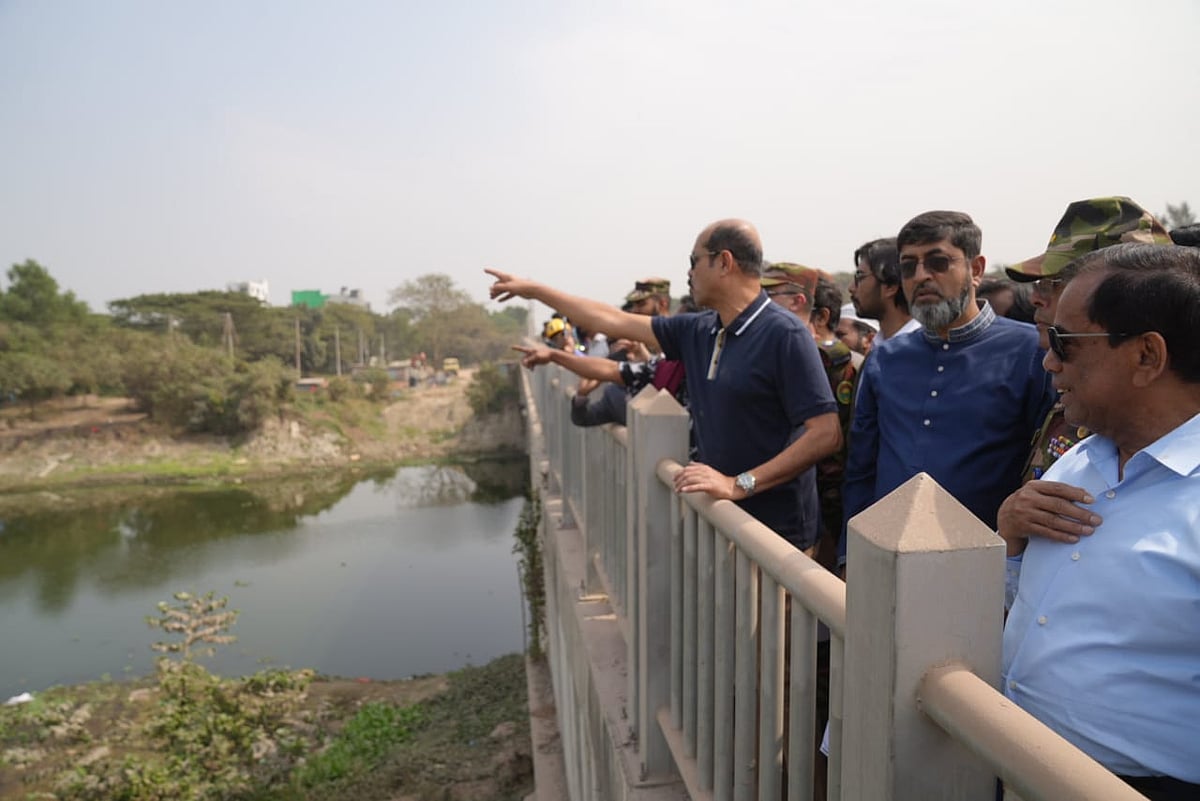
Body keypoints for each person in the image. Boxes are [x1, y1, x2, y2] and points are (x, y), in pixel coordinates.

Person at [488, 218, 841, 551]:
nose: (688, 273)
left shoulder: (784, 334)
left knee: (768, 619)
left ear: (724, 262)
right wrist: (534, 291)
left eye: (694, 261)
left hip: (777, 537)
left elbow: (825, 433)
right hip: (722, 524)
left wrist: (740, 484)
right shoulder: (701, 329)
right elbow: (612, 318)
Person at [1000, 243, 1200, 800]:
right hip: (1011, 761)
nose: (1048, 360)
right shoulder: (1079, 458)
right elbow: (1030, 607)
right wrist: (1010, 542)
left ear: (1146, 357)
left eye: (1065, 342)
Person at [841, 211, 1054, 565]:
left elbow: (1044, 470)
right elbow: (862, 469)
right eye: (908, 266)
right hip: (886, 562)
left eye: (938, 262)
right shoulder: (885, 359)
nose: (921, 276)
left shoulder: (1032, 353)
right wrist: (851, 557)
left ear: (976, 269)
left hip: (987, 568)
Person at [848, 237, 921, 342]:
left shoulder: (919, 349)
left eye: (860, 277)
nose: (851, 288)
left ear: (890, 287)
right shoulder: (878, 344)